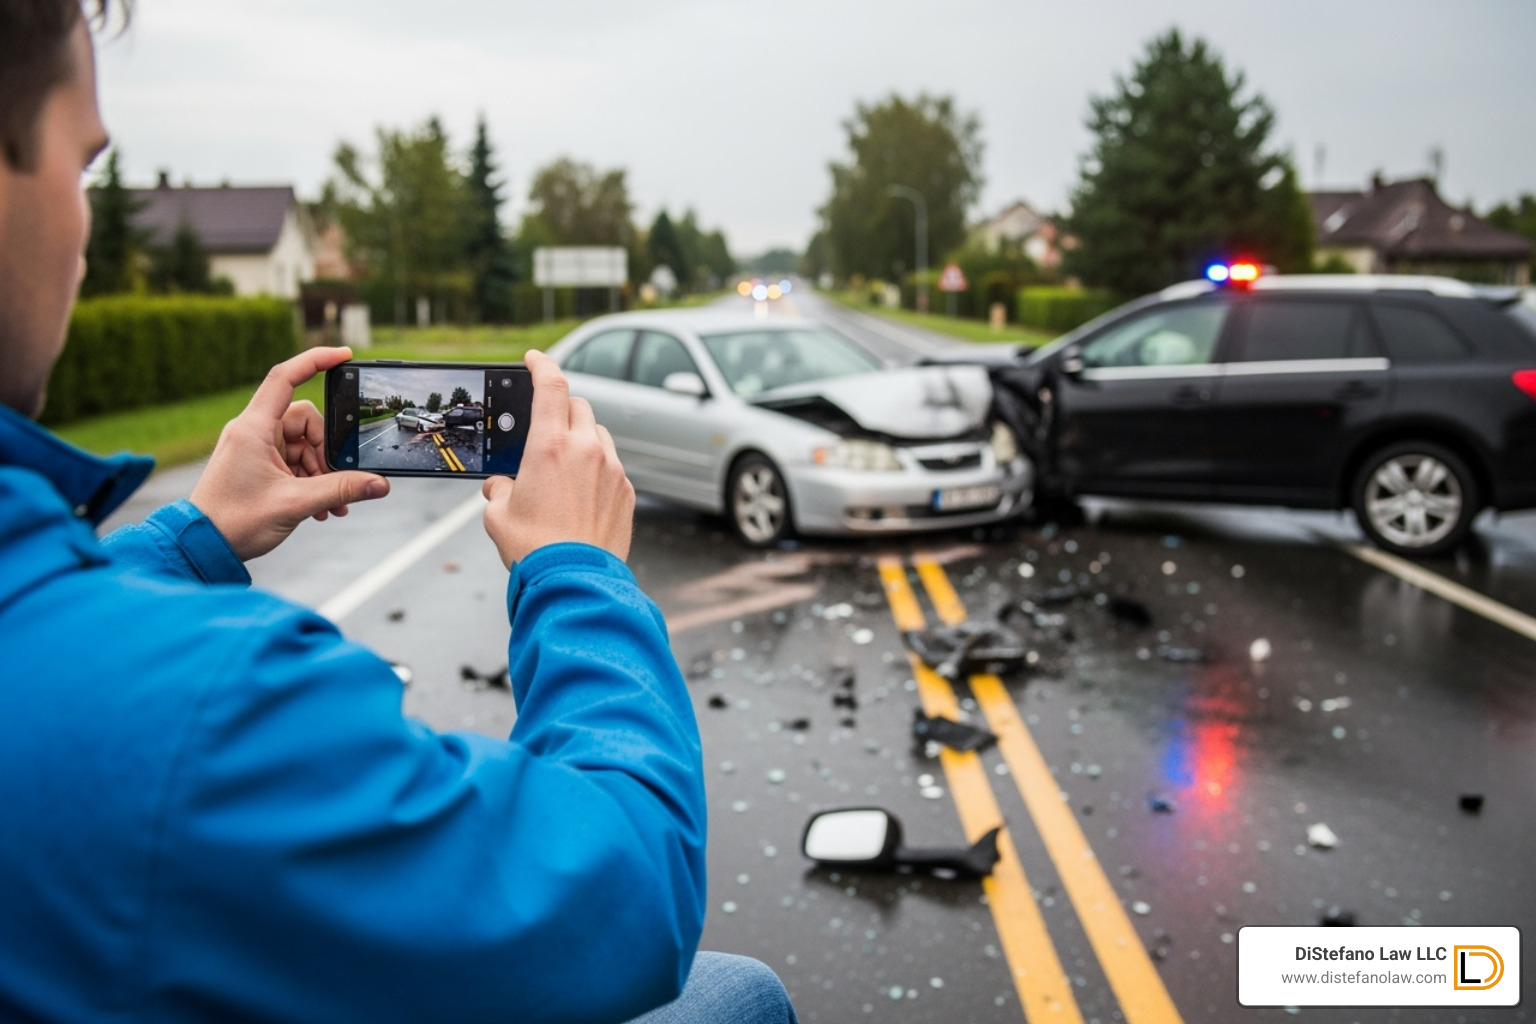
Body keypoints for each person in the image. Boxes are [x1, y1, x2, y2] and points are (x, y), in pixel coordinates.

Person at [0, 3, 798, 1021]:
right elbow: (626, 900)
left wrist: (189, 538)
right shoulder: (201, 708)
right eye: (78, 167)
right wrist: (577, 573)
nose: (79, 233)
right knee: (739, 996)